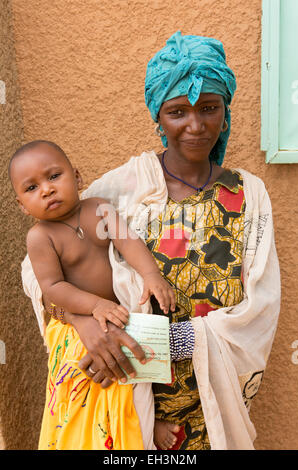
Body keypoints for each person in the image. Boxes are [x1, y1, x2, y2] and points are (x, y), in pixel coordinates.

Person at [21, 31, 280, 450]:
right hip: (123, 407)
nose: (195, 126)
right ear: (158, 117)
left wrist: (162, 342)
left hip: (211, 410)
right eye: (177, 111)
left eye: (209, 108)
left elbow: (261, 309)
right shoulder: (122, 189)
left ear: (225, 113)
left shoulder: (249, 197)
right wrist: (86, 323)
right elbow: (39, 274)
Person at [9, 139, 176, 450]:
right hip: (76, 323)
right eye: (31, 188)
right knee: (91, 385)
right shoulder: (41, 236)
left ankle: (145, 424)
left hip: (115, 313)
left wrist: (152, 276)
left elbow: (129, 242)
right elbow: (53, 288)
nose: (46, 190)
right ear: (21, 205)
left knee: (137, 370)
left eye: (54, 176)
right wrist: (95, 305)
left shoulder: (99, 208)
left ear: (77, 177)